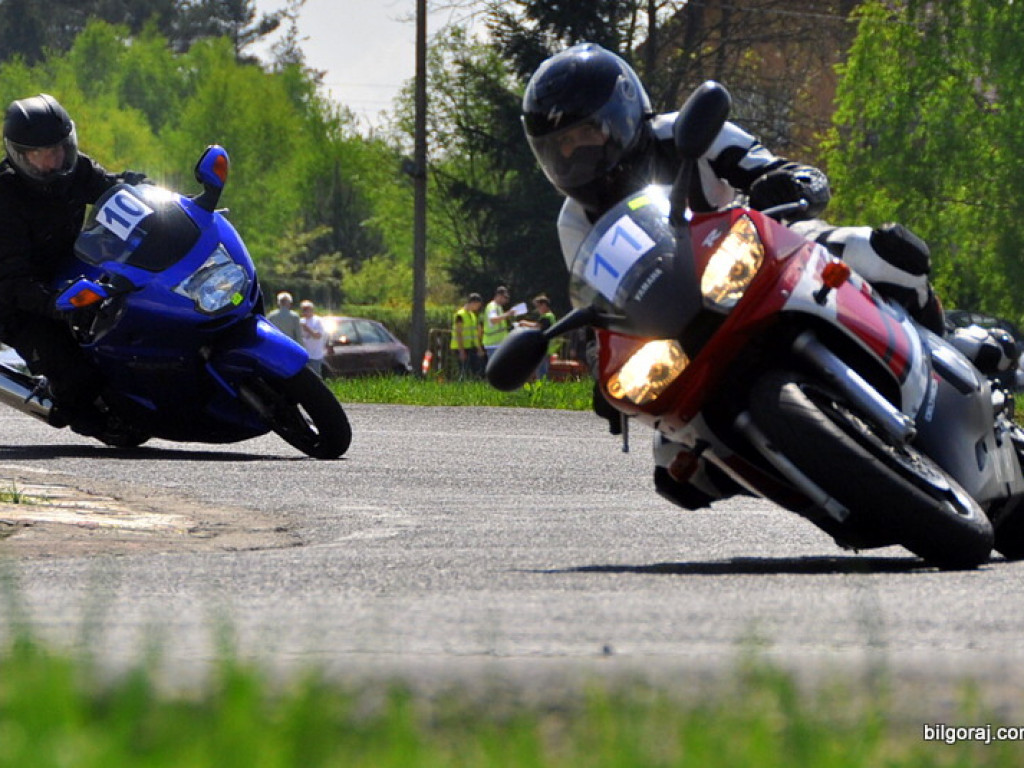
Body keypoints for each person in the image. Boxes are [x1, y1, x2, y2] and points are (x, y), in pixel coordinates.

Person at [519, 43, 953, 510]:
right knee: (679, 472)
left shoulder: (684, 132)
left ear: (621, 112)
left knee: (884, 252)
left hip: (768, 259)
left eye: (585, 133)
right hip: (686, 322)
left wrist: (788, 182)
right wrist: (598, 364)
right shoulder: (574, 221)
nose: (574, 153)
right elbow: (597, 306)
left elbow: (771, 167)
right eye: (560, 146)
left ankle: (945, 354)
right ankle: (818, 474)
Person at [0, 93, 146, 435]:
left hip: (70, 277)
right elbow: (11, 278)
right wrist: (55, 306)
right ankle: (60, 403)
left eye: (60, 147)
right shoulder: (4, 197)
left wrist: (140, 190)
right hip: (18, 300)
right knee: (76, 383)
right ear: (21, 155)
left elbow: (110, 190)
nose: (56, 159)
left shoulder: (76, 168)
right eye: (43, 154)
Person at [450, 293, 484, 379]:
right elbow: (458, 333)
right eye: (477, 305)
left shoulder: (472, 315)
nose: (478, 308)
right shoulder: (460, 315)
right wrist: (461, 351)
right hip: (461, 347)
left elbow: (474, 334)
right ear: (473, 303)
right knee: (464, 371)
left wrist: (479, 348)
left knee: (474, 371)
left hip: (470, 347)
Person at [481, 286, 516, 359]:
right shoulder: (492, 306)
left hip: (499, 343)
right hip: (493, 343)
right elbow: (493, 320)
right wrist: (507, 314)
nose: (506, 300)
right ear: (499, 296)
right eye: (505, 298)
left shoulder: (498, 307)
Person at [298, 299, 327, 377]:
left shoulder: (317, 321)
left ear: (311, 310)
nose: (305, 312)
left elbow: (318, 336)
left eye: (307, 310)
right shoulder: (300, 321)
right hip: (304, 355)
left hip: (315, 355)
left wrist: (307, 328)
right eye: (303, 310)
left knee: (316, 376)